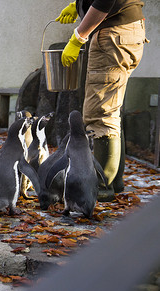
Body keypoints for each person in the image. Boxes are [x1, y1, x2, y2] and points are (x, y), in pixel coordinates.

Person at [56, 0, 148, 201]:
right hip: (124, 31)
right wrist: (80, 4)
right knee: (110, 108)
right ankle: (114, 183)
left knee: (101, 112)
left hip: (113, 34)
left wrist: (78, 36)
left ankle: (100, 188)